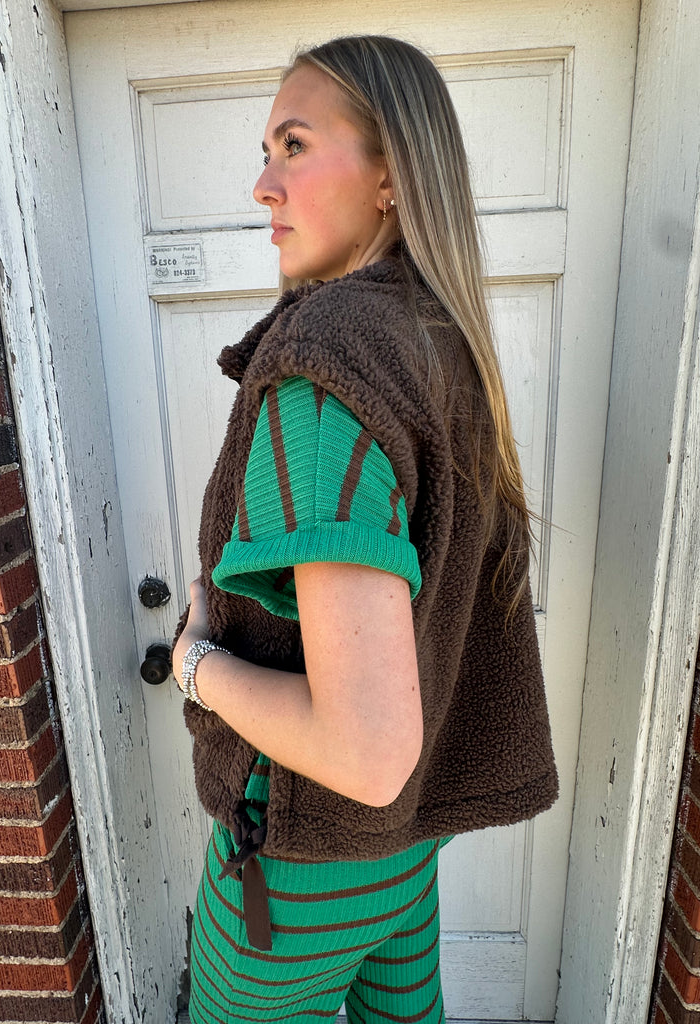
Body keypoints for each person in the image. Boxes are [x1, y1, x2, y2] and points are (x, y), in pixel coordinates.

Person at [171, 34, 558, 1024]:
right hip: (404, 858)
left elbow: (365, 750)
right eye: (267, 151)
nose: (263, 184)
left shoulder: (326, 368)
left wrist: (194, 666)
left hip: (294, 882)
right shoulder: (440, 344)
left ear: (390, 177)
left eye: (295, 145)